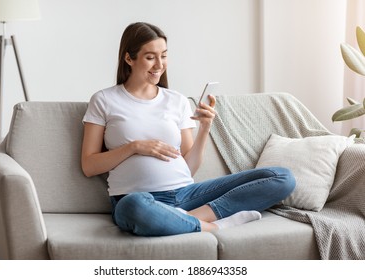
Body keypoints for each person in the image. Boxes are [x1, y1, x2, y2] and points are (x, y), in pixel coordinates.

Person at [81, 22, 295, 236]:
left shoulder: (177, 100)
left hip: (187, 194)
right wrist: (135, 147)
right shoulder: (104, 100)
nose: (159, 64)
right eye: (150, 57)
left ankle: (183, 218)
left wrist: (205, 128)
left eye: (163, 55)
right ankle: (212, 225)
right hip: (135, 197)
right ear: (129, 58)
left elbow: (189, 167)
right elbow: (89, 165)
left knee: (282, 177)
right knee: (133, 206)